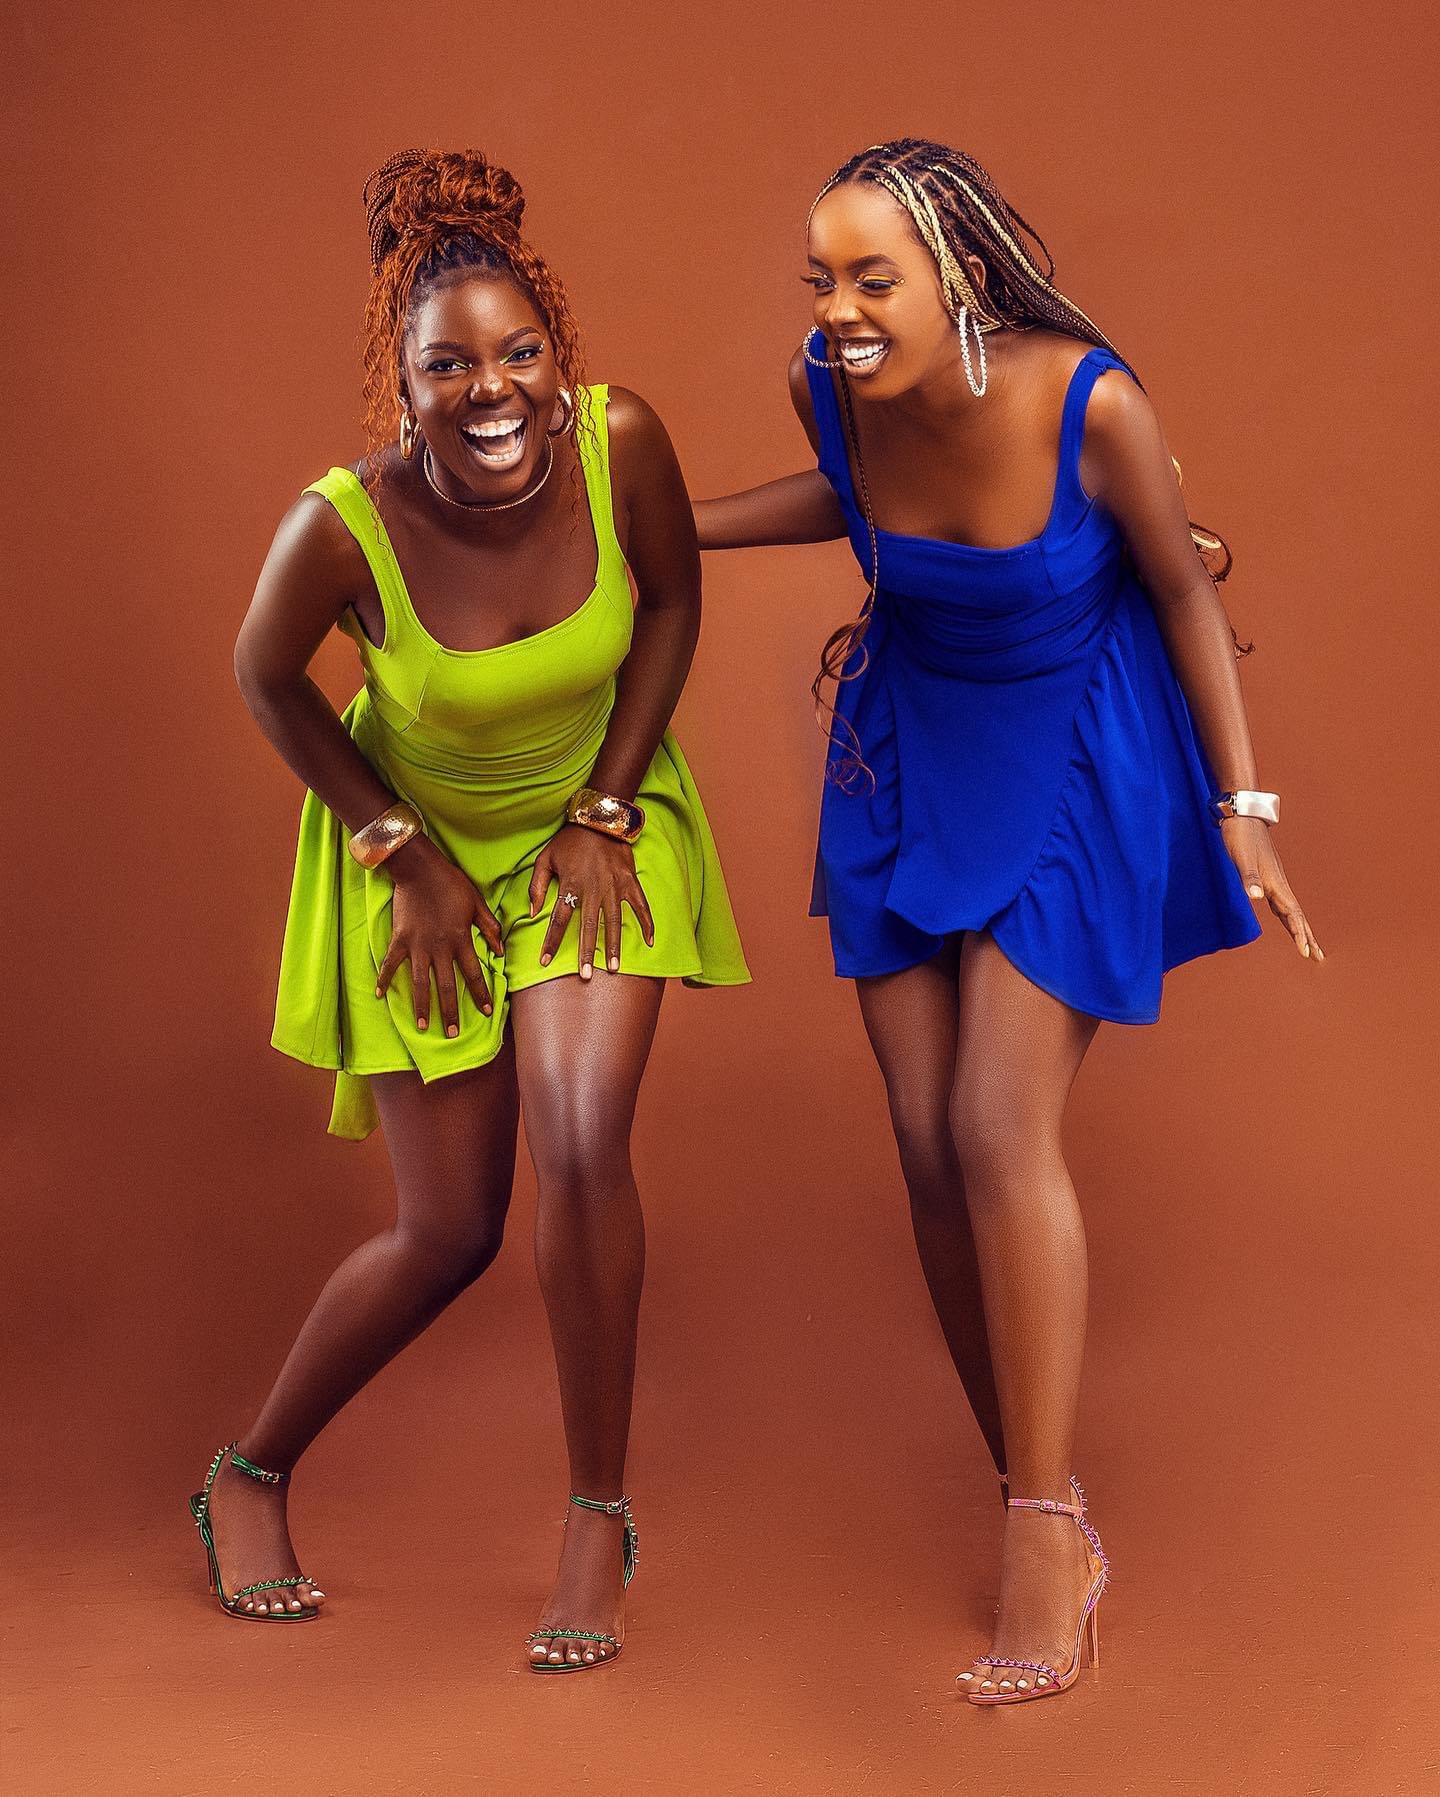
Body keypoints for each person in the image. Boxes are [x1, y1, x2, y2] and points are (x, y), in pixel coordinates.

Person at [694, 138, 1320, 1704]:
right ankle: (1039, 1481)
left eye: (873, 278)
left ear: (962, 275)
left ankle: (1042, 1532)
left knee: (993, 1123)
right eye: (822, 279)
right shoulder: (828, 387)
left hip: (1080, 748)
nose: (839, 310)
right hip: (908, 740)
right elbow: (849, 502)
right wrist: (672, 526)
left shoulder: (1091, 402)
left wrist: (1244, 808)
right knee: (924, 1141)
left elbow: (1180, 586)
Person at [191, 148, 748, 1672]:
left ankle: (595, 1517)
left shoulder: (620, 441)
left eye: (519, 355)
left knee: (582, 1130)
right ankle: (249, 1472)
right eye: (450, 366)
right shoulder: (343, 523)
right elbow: (263, 675)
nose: (492, 391)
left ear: (557, 356)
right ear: (405, 381)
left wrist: (608, 806)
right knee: (448, 1230)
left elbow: (674, 601)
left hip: (596, 825)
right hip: (416, 849)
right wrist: (402, 852)